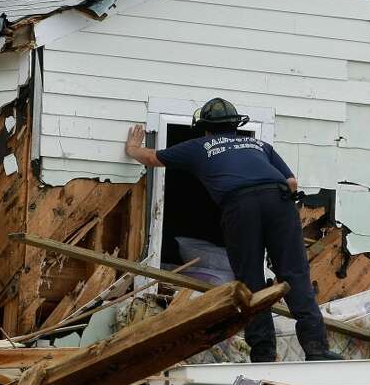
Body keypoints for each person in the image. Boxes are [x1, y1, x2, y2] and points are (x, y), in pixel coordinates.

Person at [125, 97, 340, 362]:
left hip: (241, 205)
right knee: (295, 274)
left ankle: (263, 352)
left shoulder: (199, 146)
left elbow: (152, 158)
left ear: (205, 128)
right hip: (280, 201)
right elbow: (292, 182)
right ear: (236, 126)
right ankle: (317, 349)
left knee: (250, 279)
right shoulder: (260, 144)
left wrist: (133, 147)